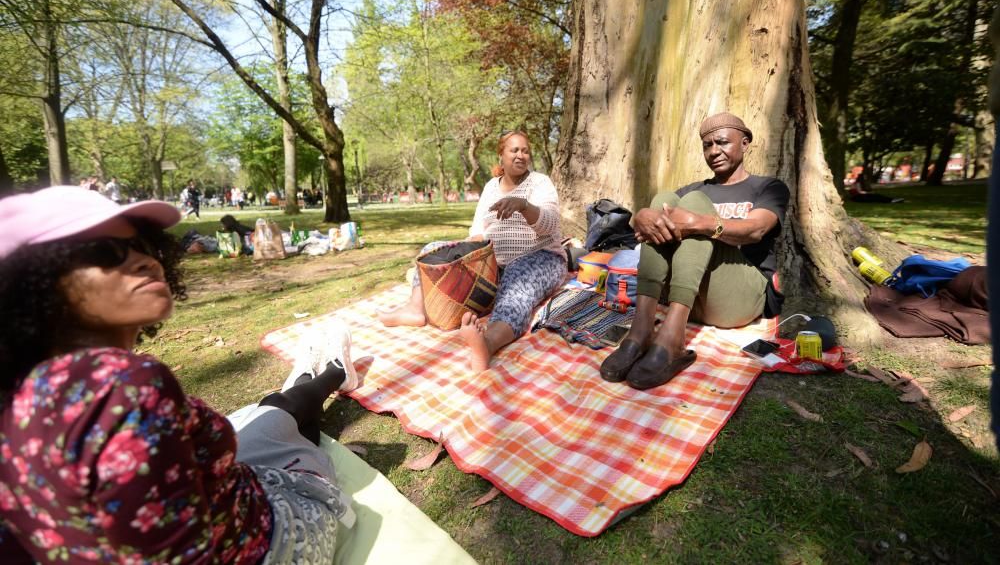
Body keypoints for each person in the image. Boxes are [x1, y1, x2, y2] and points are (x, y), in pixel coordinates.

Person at [0, 186, 357, 561]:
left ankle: (314, 380)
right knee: (287, 439)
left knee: (266, 419)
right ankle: (328, 375)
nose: (145, 261)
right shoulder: (123, 386)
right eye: (105, 252)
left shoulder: (22, 395)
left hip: (226, 497)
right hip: (272, 541)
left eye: (143, 246)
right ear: (35, 284)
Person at [600, 112, 790, 390]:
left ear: (745, 143)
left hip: (737, 298)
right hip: (690, 297)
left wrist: (699, 223)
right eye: (707, 145)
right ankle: (640, 332)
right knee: (664, 200)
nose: (714, 151)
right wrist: (641, 216)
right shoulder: (691, 189)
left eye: (722, 142)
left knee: (695, 204)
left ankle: (671, 341)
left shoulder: (768, 187)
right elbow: (650, 228)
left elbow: (756, 229)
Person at [379, 131, 566, 371]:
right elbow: (478, 229)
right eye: (514, 150)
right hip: (493, 263)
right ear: (501, 155)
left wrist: (523, 205)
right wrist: (464, 250)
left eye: (525, 150)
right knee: (432, 249)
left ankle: (487, 343)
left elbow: (549, 223)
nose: (521, 155)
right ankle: (416, 309)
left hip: (541, 258)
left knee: (517, 280)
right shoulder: (490, 187)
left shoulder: (540, 183)